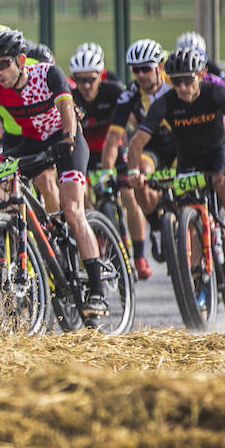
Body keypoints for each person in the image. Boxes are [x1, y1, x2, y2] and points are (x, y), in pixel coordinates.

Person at [0, 28, 108, 316]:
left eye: (3, 64)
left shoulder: (48, 74)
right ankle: (15, 218)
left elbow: (66, 109)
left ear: (21, 59)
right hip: (30, 144)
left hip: (65, 141)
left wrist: (68, 138)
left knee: (73, 210)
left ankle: (97, 291)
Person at [126, 47, 225, 259]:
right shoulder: (165, 103)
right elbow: (138, 141)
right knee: (187, 210)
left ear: (202, 74)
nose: (183, 87)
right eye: (176, 82)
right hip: (188, 157)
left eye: (188, 80)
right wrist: (133, 171)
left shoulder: (216, 92)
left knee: (222, 183)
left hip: (218, 151)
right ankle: (197, 277)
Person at [69, 43, 149, 278]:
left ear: (100, 75)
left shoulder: (114, 91)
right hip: (86, 155)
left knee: (128, 194)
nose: (85, 86)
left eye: (90, 80)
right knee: (80, 195)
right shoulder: (71, 97)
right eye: (80, 80)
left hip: (114, 151)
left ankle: (140, 255)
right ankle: (96, 229)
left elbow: (133, 121)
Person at [103, 38, 174, 266]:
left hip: (181, 144)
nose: (141, 75)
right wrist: (106, 172)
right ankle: (155, 226)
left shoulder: (175, 84)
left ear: (159, 67)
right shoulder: (129, 96)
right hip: (151, 147)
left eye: (146, 68)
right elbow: (114, 138)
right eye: (136, 70)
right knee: (138, 175)